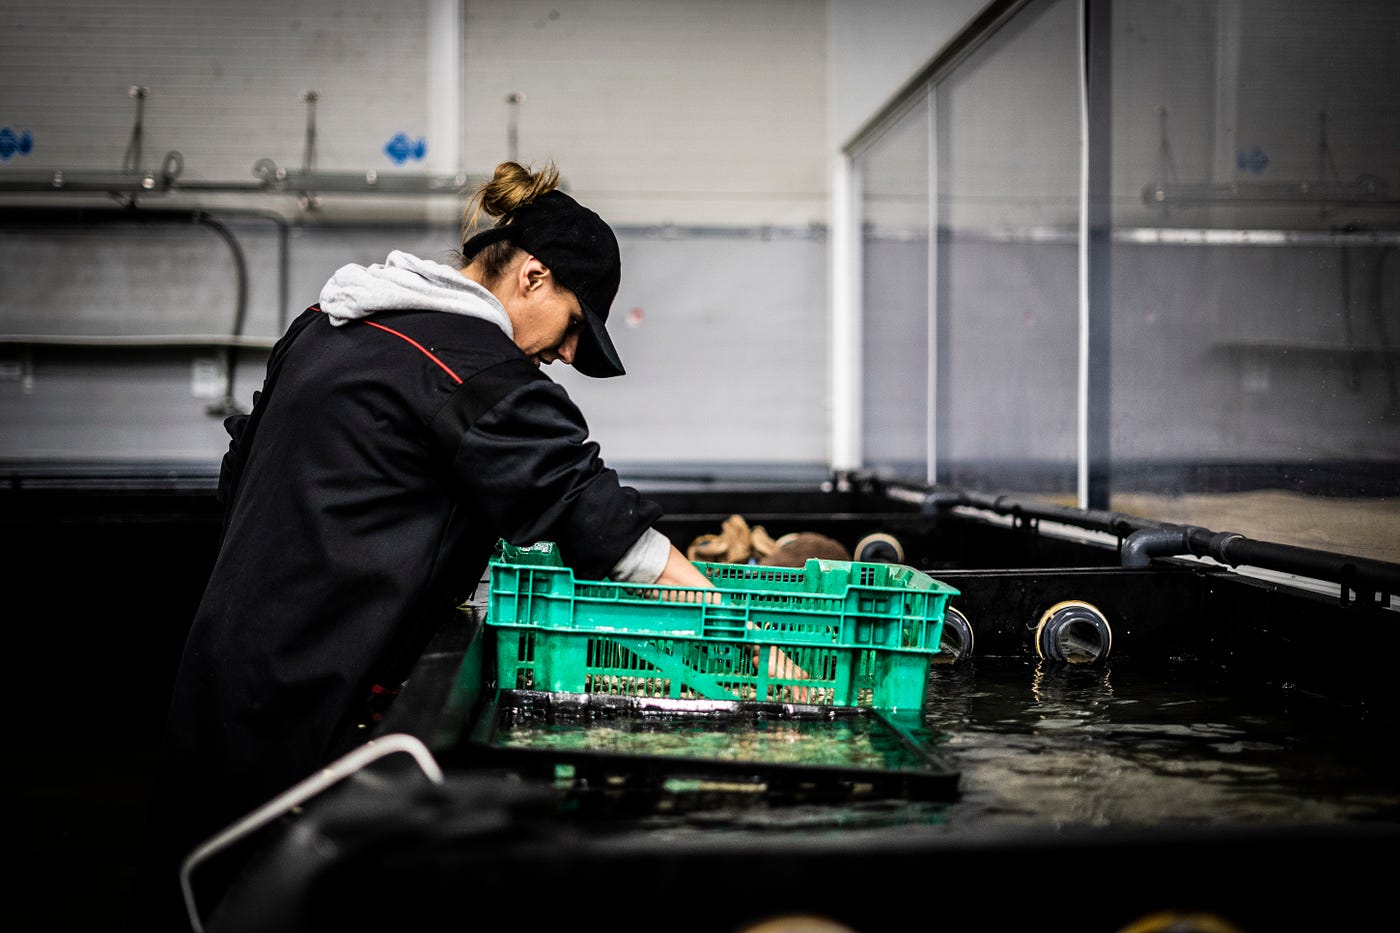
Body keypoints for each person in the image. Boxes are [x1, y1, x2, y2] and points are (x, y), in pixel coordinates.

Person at [135, 159, 715, 931]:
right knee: (273, 894)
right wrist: (741, 636)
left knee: (203, 881)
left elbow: (241, 472)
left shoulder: (325, 324)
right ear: (533, 277)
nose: (570, 355)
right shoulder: (470, 366)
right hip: (313, 699)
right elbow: (596, 518)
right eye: (576, 324)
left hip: (220, 672)